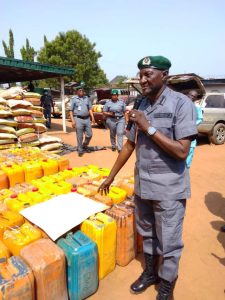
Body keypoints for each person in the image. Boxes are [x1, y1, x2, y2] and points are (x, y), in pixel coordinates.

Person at [98, 55, 197, 300]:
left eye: (147, 74)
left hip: (169, 189)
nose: (142, 80)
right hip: (143, 186)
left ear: (164, 75)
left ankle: (166, 287)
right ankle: (151, 273)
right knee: (148, 233)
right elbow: (129, 145)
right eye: (140, 74)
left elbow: (182, 151)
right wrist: (111, 177)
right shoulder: (140, 105)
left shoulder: (181, 104)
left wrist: (149, 128)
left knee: (170, 241)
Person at [69, 87, 95, 157]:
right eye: (79, 90)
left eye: (82, 90)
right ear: (77, 92)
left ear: (84, 92)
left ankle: (84, 145)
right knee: (79, 136)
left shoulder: (87, 99)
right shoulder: (74, 99)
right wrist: (73, 121)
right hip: (78, 119)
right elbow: (71, 111)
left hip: (87, 119)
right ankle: (80, 150)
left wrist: (92, 117)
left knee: (89, 134)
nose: (81, 91)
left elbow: (90, 109)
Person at [186, 90, 203, 168]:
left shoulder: (197, 107)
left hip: (191, 134)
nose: (190, 97)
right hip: (180, 136)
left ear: (196, 98)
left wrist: (192, 125)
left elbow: (200, 119)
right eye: (190, 95)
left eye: (193, 96)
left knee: (189, 155)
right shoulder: (182, 106)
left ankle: (186, 169)